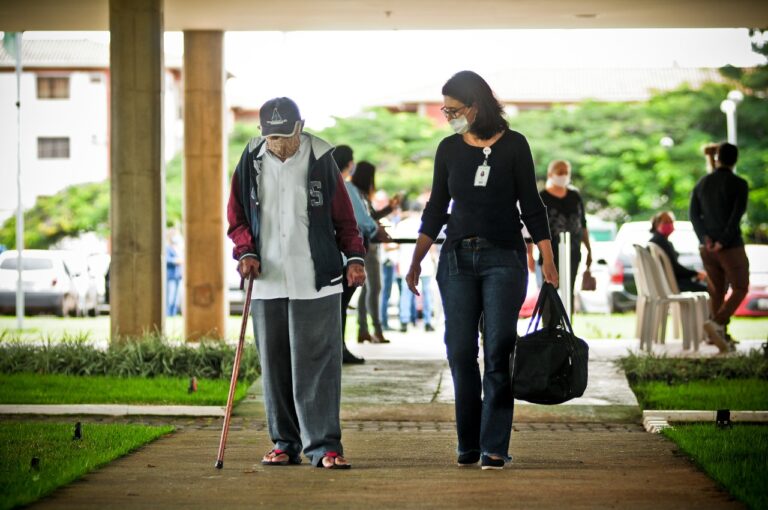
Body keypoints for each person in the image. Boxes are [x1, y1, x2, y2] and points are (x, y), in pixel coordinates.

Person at [406, 71, 558, 471]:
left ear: (475, 106)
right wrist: (416, 258)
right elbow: (436, 208)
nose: (448, 116)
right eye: (445, 110)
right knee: (459, 350)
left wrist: (548, 258)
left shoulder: (515, 146)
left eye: (453, 110)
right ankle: (468, 443)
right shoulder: (448, 149)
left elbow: (532, 205)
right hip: (456, 259)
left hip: (504, 259)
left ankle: (493, 445)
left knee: (498, 350)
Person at [227, 97, 366, 469]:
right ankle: (285, 443)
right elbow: (237, 217)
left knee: (318, 365)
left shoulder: (321, 159)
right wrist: (245, 252)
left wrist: (353, 258)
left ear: (300, 127)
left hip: (316, 279)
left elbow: (345, 219)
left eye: (286, 137)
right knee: (275, 365)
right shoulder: (250, 160)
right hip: (267, 279)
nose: (279, 146)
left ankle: (324, 446)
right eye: (272, 138)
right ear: (261, 133)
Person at [690, 142, 749, 352]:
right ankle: (717, 324)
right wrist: (722, 241)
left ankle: (720, 337)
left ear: (717, 158)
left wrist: (705, 238)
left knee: (716, 291)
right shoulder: (739, 184)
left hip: (706, 248)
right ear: (735, 160)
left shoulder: (702, 183)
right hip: (730, 246)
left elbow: (694, 215)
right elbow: (735, 217)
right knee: (740, 286)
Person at [333, 145, 376, 364]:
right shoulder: (345, 187)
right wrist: (375, 229)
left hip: (329, 257)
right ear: (349, 164)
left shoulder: (323, 184)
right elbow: (360, 221)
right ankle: (338, 349)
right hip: (346, 257)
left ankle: (335, 349)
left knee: (335, 307)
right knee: (339, 307)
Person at [536, 160, 592, 312]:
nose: (563, 175)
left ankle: (567, 330)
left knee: (569, 291)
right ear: (550, 174)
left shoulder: (575, 196)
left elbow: (583, 224)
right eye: (559, 172)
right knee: (549, 293)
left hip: (573, 252)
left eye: (566, 172)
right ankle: (548, 330)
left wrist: (588, 250)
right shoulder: (542, 197)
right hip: (549, 253)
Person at [351, 161, 398, 344]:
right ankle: (376, 329)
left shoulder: (356, 193)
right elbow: (367, 220)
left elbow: (368, 217)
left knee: (365, 289)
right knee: (375, 288)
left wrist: (388, 209)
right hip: (367, 245)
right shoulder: (358, 194)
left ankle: (363, 329)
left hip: (365, 244)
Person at [396, 202, 436, 332]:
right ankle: (428, 321)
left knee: (405, 294)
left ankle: (404, 320)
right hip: (425, 264)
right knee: (427, 293)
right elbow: (432, 246)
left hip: (406, 263)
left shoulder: (402, 224)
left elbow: (397, 244)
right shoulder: (425, 224)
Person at [648, 211, 708, 293]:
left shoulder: (654, 241)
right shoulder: (661, 242)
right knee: (709, 289)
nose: (669, 225)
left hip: (667, 283)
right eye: (666, 222)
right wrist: (695, 273)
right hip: (673, 284)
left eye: (671, 222)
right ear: (657, 224)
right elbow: (675, 268)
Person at [166, 227, 183, 316]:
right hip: (171, 276)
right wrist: (175, 261)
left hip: (178, 276)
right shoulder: (167, 248)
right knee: (170, 296)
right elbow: (167, 260)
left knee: (176, 298)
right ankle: (168, 313)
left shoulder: (178, 248)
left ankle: (173, 313)